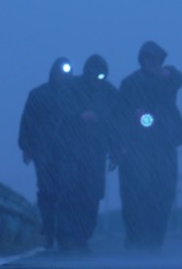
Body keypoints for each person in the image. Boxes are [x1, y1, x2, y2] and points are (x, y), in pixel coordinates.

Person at [113, 41, 182, 251]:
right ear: (141, 60)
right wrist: (121, 144)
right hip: (137, 144)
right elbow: (120, 115)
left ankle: (155, 240)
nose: (150, 62)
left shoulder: (167, 79)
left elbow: (178, 78)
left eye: (154, 59)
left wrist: (168, 74)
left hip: (164, 143)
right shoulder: (130, 83)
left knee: (163, 191)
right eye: (146, 58)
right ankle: (136, 237)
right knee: (136, 191)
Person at [56, 54, 119, 250]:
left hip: (96, 152)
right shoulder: (71, 87)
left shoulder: (110, 92)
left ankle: (83, 236)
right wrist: (79, 115)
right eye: (93, 73)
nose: (96, 78)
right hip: (71, 150)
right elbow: (61, 109)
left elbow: (116, 122)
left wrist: (115, 151)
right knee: (70, 191)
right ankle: (66, 236)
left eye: (100, 75)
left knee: (92, 194)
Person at [18, 57, 74, 249]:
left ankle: (64, 233)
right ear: (53, 72)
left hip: (68, 152)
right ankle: (49, 231)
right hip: (43, 152)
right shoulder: (38, 95)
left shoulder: (75, 96)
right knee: (47, 192)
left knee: (66, 191)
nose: (63, 75)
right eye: (60, 71)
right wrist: (26, 147)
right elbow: (28, 122)